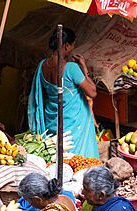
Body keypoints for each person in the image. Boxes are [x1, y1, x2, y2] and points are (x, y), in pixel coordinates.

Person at [28, 27, 98, 159]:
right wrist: (83, 67)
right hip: (73, 122)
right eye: (72, 45)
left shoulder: (42, 65)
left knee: (58, 158)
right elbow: (92, 92)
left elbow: (44, 94)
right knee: (76, 160)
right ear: (66, 46)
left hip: (53, 119)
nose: (73, 48)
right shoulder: (72, 68)